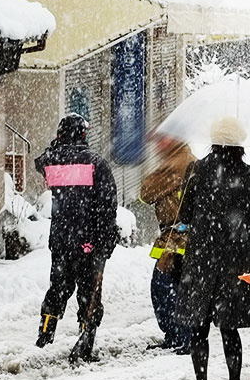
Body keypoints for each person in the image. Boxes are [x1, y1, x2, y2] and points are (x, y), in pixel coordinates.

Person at [175, 117, 250, 380]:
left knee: (198, 328)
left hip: (201, 258)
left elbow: (184, 215)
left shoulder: (197, 169)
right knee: (229, 328)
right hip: (234, 259)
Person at [33, 113, 119, 361]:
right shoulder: (96, 164)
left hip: (61, 242)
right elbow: (107, 208)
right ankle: (85, 342)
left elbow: (40, 161)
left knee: (58, 288)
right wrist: (105, 242)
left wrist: (58, 144)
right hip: (89, 244)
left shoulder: (53, 163)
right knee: (89, 294)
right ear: (83, 134)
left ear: (61, 135)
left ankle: (45, 336)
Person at [139, 135, 197, 353]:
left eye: (163, 141)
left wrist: (155, 172)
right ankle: (182, 335)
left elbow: (145, 194)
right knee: (180, 285)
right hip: (185, 235)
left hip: (176, 238)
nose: (157, 145)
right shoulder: (190, 159)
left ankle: (180, 336)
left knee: (163, 287)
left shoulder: (175, 164)